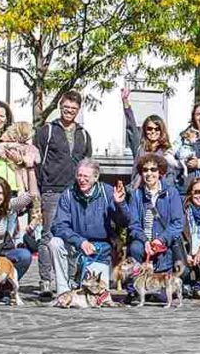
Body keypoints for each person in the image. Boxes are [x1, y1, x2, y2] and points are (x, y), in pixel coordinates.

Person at [35, 90, 93, 297]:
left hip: (75, 192)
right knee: (48, 235)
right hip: (52, 189)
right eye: (66, 107)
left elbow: (88, 164)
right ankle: (46, 280)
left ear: (78, 110)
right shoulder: (47, 131)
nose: (69, 111)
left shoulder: (84, 134)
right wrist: (39, 189)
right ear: (60, 107)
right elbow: (36, 160)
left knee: (72, 237)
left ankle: (68, 279)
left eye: (74, 109)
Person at [48, 159, 127, 297]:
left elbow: (124, 221)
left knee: (96, 295)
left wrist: (120, 204)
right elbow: (58, 225)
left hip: (99, 247)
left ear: (95, 178)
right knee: (54, 243)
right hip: (75, 243)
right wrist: (80, 241)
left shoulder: (107, 192)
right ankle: (63, 290)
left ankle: (78, 280)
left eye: (86, 177)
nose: (82, 180)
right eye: (79, 175)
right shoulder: (68, 194)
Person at [125, 153, 184, 273]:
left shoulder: (171, 193)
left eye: (153, 169)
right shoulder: (136, 195)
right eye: (145, 170)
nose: (149, 173)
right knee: (135, 248)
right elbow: (133, 225)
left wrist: (160, 240)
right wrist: (145, 240)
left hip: (165, 242)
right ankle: (138, 276)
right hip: (144, 243)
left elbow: (177, 223)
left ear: (160, 172)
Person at [121, 87, 180, 190]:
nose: (153, 131)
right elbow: (132, 127)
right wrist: (125, 102)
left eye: (157, 129)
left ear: (162, 130)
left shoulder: (167, 150)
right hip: (140, 192)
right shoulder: (140, 148)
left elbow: (171, 175)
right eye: (149, 128)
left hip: (159, 193)